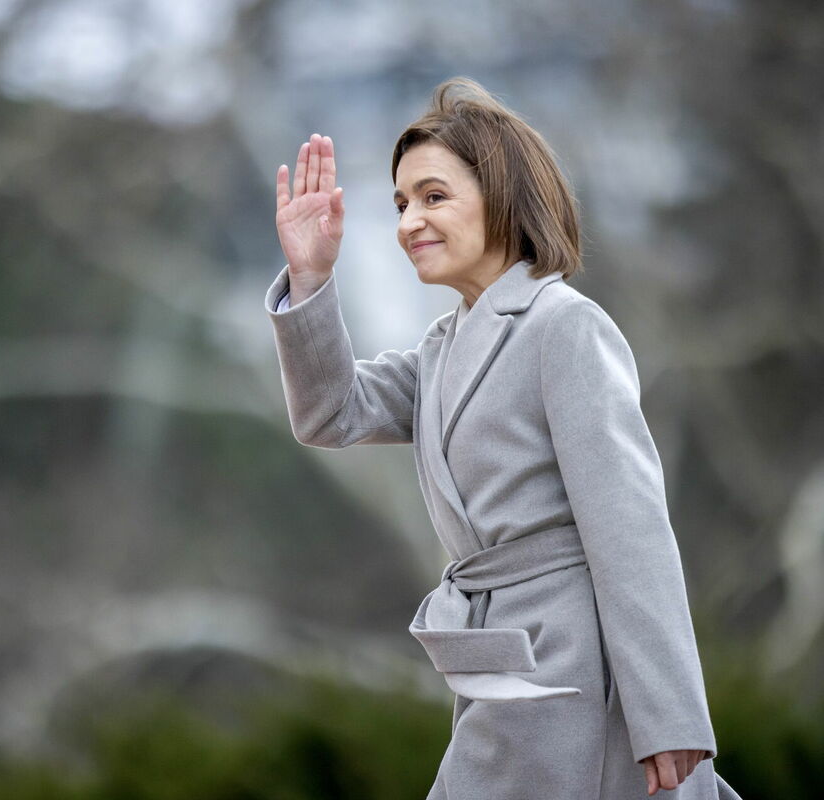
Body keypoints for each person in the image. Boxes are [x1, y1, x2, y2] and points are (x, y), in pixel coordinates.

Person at [264, 78, 741, 799]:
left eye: (431, 196)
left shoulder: (564, 326)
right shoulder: (438, 350)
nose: (406, 223)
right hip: (496, 666)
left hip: (576, 669)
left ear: (503, 197)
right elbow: (330, 410)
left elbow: (631, 531)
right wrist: (309, 276)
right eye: (398, 204)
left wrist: (668, 714)